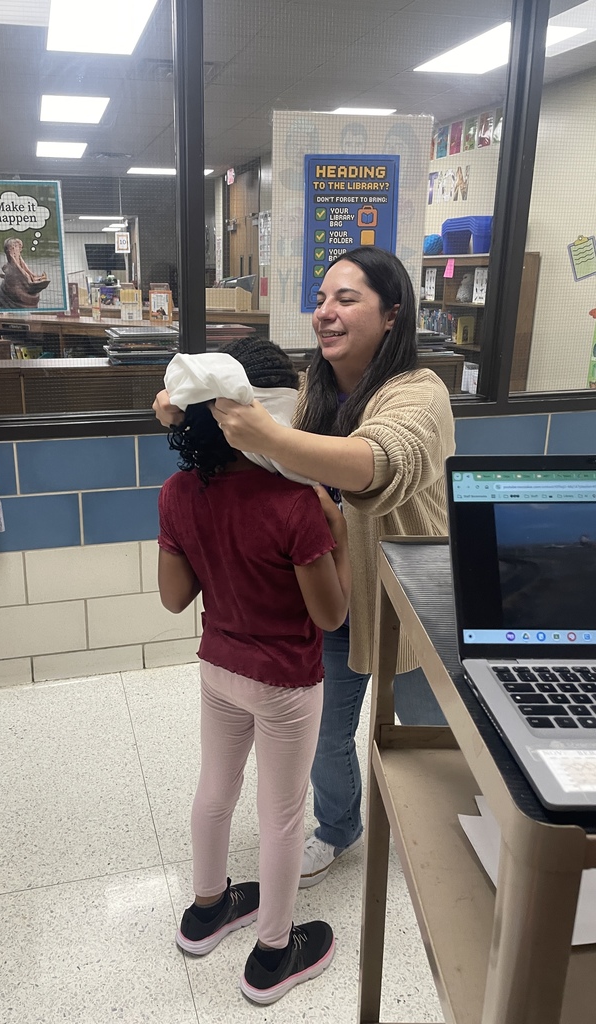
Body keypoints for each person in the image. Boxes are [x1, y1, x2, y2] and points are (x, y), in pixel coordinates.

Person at [153, 247, 455, 889]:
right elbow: (244, 396)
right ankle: (339, 827)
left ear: (392, 314)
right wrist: (183, 396)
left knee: (432, 733)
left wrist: (267, 436)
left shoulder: (419, 394)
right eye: (321, 300)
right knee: (325, 735)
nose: (326, 313)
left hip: (414, 598)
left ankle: (451, 829)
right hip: (339, 587)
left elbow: (375, 463)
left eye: (347, 299)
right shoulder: (313, 384)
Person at [157, 338, 351, 1005]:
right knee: (283, 814)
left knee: (215, 787)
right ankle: (273, 954)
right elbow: (329, 616)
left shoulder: (179, 491)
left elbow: (174, 597)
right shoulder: (296, 503)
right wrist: (339, 538)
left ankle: (206, 910)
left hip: (219, 667)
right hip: (287, 683)